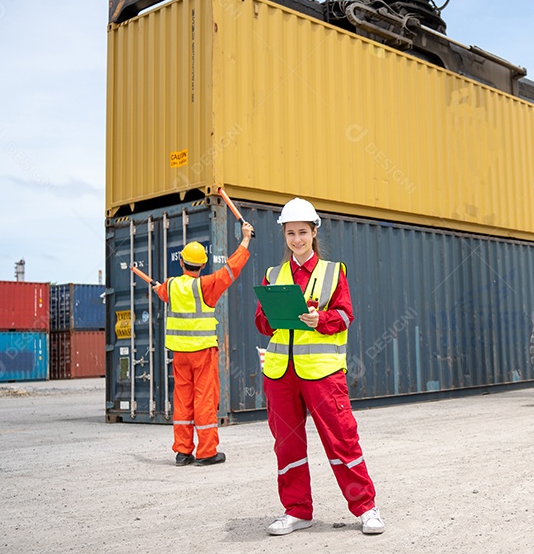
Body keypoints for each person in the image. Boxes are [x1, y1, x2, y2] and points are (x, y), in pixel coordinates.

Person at [255, 197, 384, 536]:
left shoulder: (333, 271)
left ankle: (367, 508)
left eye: (302, 232)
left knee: (341, 439)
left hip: (323, 373)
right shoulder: (273, 275)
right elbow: (262, 322)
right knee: (287, 444)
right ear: (284, 235)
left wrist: (319, 318)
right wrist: (269, 316)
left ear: (314, 233)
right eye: (290, 233)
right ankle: (297, 511)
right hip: (281, 373)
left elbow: (345, 316)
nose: (296, 239)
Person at [152, 220, 254, 466]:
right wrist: (245, 239)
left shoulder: (171, 286)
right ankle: (207, 452)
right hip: (203, 354)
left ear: (181, 262)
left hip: (180, 355)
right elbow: (231, 269)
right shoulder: (206, 285)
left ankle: (183, 452)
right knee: (204, 399)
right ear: (204, 265)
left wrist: (157, 288)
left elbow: (161, 290)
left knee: (183, 400)